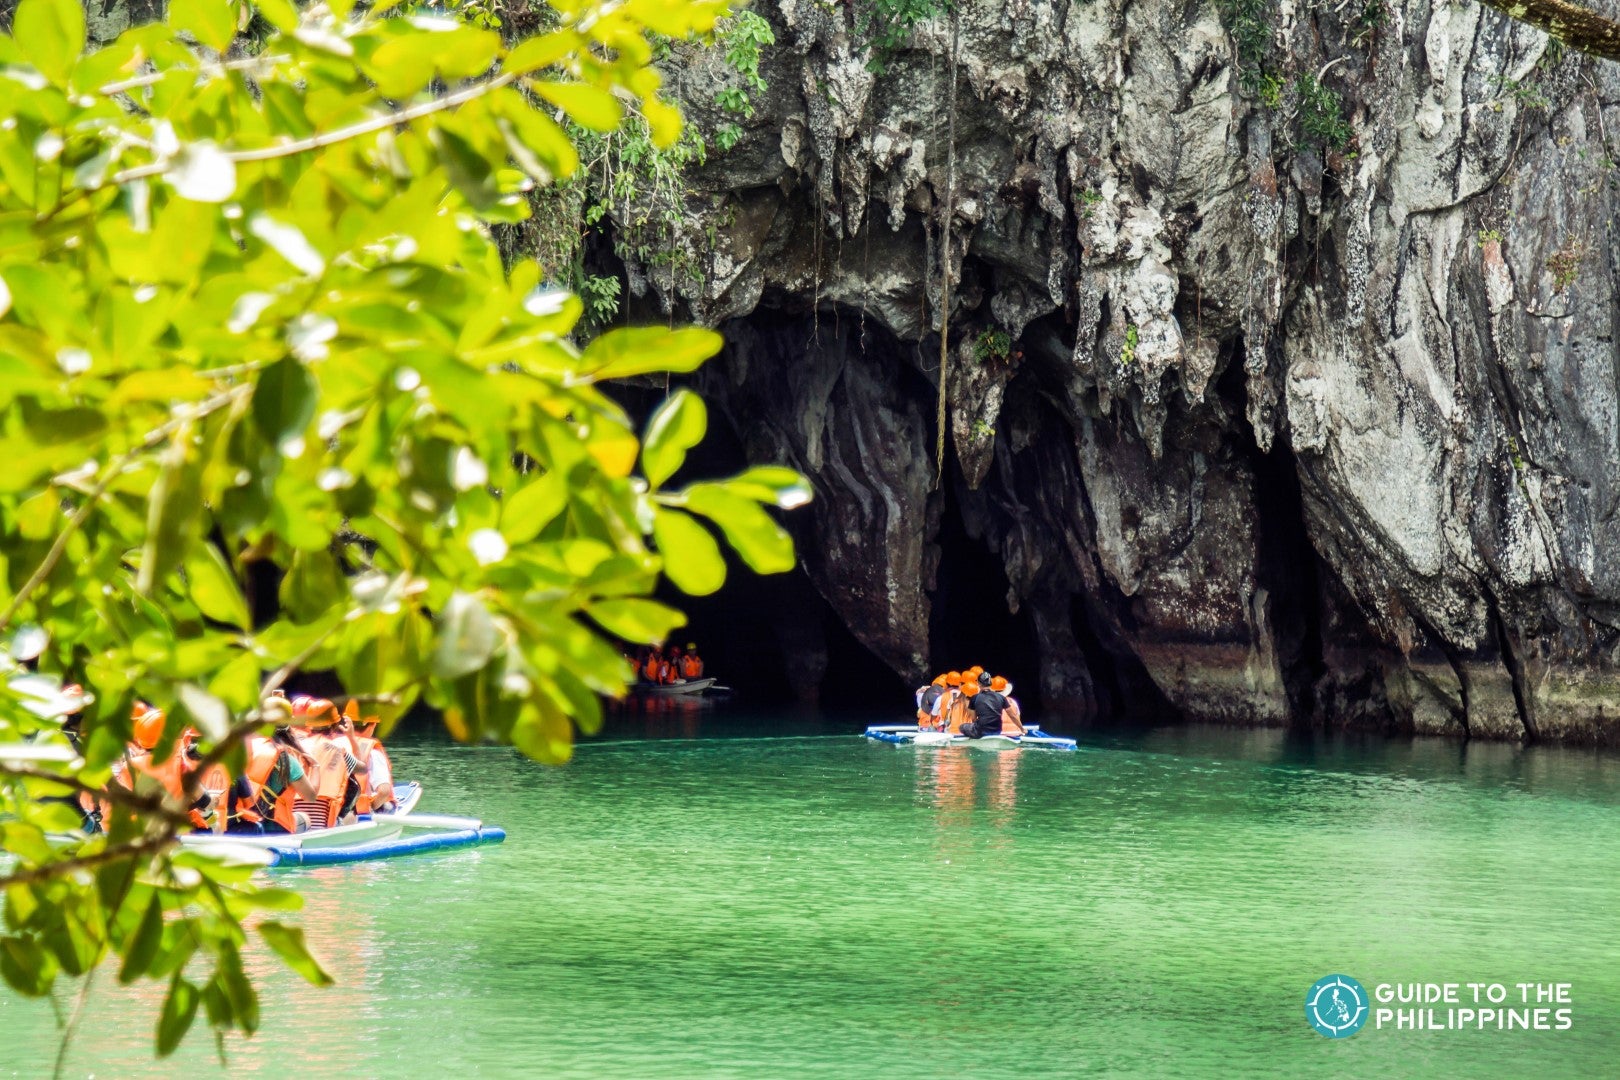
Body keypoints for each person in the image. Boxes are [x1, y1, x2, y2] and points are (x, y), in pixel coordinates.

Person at [291, 697, 367, 829]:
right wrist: (351, 737)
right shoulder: (339, 751)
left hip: (294, 821)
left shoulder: (294, 748)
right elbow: (363, 770)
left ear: (310, 726)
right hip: (324, 823)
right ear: (335, 726)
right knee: (353, 784)